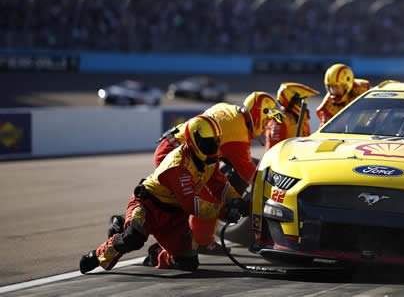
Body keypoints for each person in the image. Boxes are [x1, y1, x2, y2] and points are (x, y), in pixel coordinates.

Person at [109, 92, 282, 254]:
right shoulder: (239, 134)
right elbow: (250, 174)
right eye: (267, 121)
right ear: (259, 115)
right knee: (185, 203)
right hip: (177, 155)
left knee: (181, 201)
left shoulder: (229, 110)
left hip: (175, 147)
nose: (267, 126)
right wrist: (277, 190)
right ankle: (134, 232)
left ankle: (198, 241)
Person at [79, 115, 250, 273]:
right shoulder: (178, 165)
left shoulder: (209, 161)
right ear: (194, 140)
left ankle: (157, 254)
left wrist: (238, 201)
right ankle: (100, 252)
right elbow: (192, 204)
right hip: (149, 206)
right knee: (133, 238)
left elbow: (221, 186)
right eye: (208, 142)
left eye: (215, 142)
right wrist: (224, 211)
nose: (213, 147)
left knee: (188, 263)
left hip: (175, 218)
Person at [266, 82, 320, 149]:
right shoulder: (279, 121)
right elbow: (274, 151)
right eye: (300, 102)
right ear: (291, 102)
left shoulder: (302, 118)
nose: (303, 105)